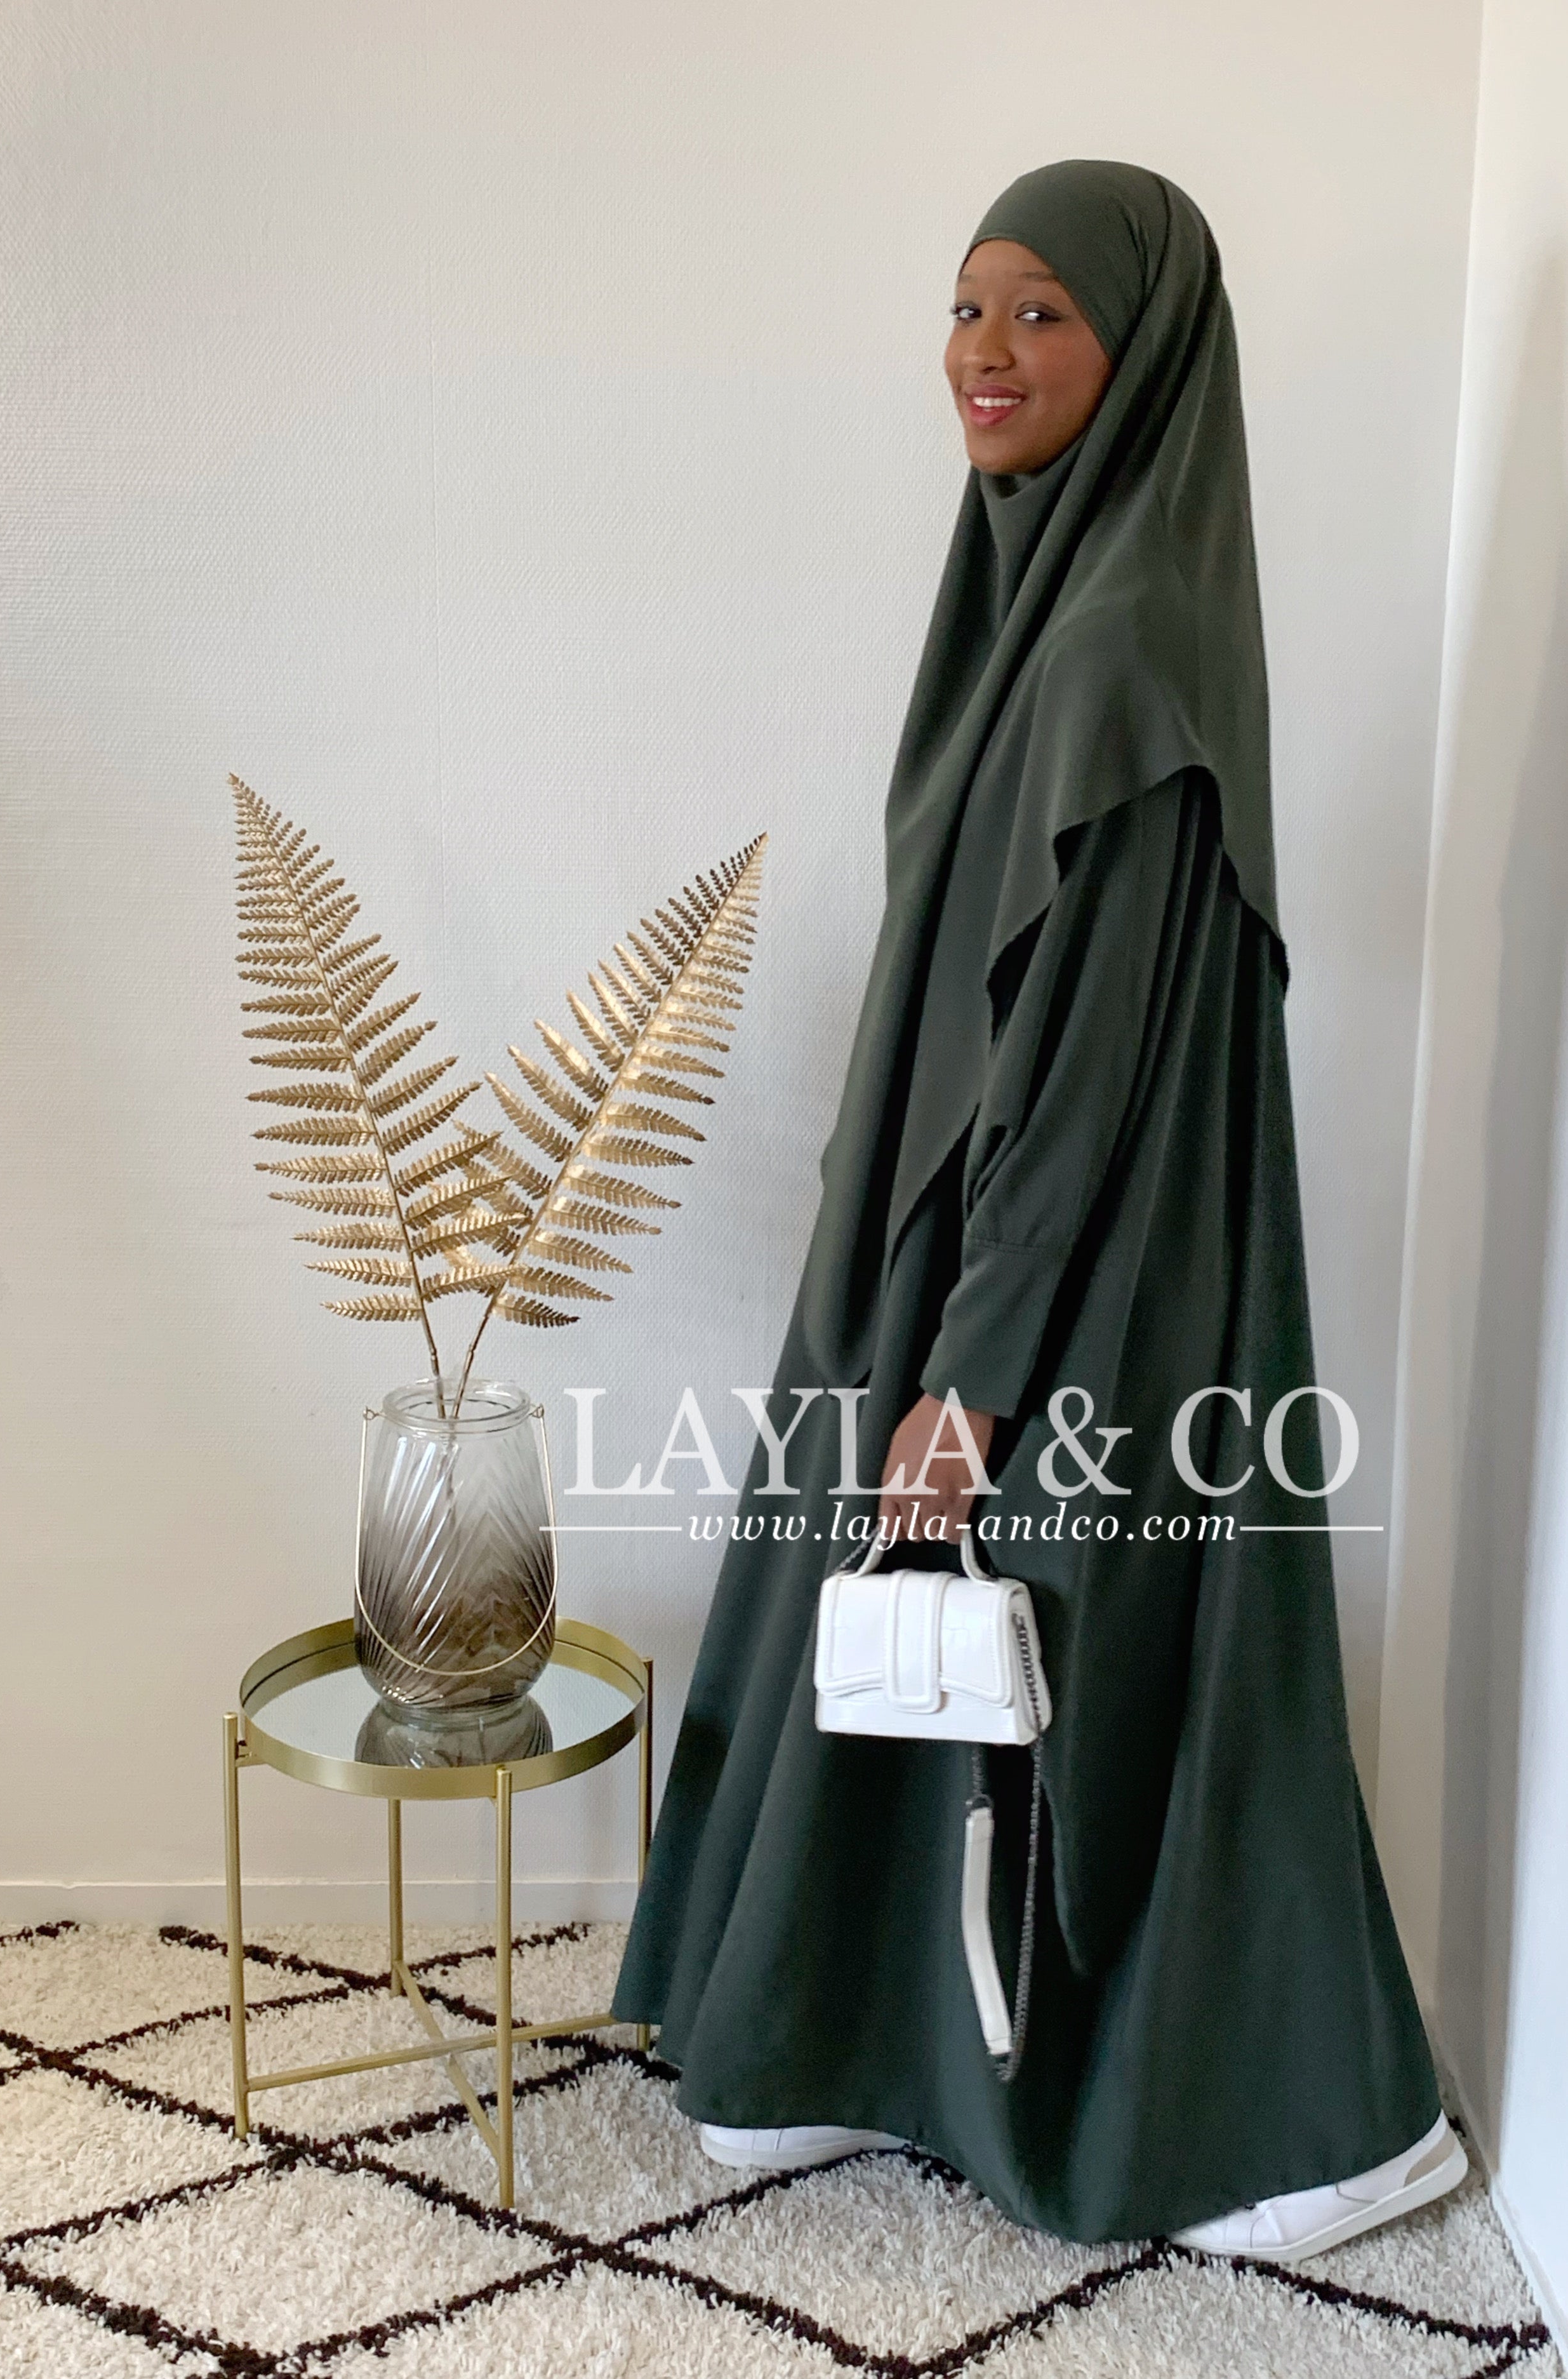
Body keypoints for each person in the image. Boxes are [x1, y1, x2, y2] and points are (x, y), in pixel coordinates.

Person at [611, 159, 1466, 2257]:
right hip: (955, 1235)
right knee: (921, 1632)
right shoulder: (1033, 614)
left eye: (1041, 315)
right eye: (965, 307)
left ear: (1141, 350)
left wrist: (972, 1376)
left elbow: (1075, 1075)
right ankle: (839, 2038)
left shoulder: (1119, 653)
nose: (980, 356)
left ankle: (1322, 2126)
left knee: (1088, 1644)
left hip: (1073, 1265)